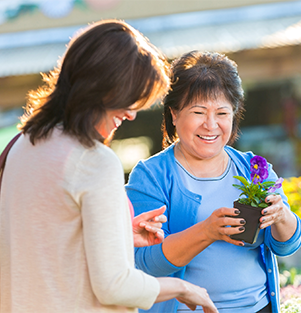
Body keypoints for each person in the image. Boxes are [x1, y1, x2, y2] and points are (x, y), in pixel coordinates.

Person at [0, 20, 218, 313]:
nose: (131, 115)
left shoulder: (22, 145)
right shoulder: (93, 161)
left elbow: (41, 240)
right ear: (101, 88)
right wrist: (183, 288)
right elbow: (115, 286)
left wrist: (117, 234)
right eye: (130, 99)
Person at [126, 51, 301, 313]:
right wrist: (207, 231)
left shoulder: (253, 168)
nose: (211, 125)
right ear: (174, 115)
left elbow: (288, 244)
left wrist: (281, 215)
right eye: (199, 112)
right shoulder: (151, 176)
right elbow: (142, 263)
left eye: (222, 113)